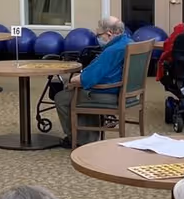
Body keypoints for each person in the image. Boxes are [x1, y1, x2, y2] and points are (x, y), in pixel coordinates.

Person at [51, 17, 130, 148]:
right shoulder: (129, 42)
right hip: (128, 93)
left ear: (109, 33)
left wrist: (71, 81)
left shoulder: (112, 51)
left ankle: (77, 140)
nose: (97, 38)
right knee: (77, 91)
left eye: (99, 35)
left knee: (62, 97)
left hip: (110, 95)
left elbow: (86, 79)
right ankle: (88, 136)